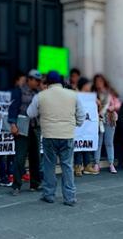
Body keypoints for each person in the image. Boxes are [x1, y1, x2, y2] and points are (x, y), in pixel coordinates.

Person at [27, 71, 84, 206]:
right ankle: (69, 197)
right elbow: (81, 116)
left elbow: (30, 113)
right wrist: (74, 124)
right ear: (61, 81)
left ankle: (49, 195)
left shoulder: (41, 96)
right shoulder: (72, 95)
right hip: (67, 135)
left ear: (47, 82)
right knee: (67, 166)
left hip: (49, 135)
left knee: (49, 166)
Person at [8, 69, 42, 194]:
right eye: (36, 80)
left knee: (35, 157)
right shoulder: (19, 91)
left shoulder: (39, 93)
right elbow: (13, 108)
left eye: (39, 81)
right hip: (22, 128)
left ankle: (35, 183)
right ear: (29, 79)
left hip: (35, 127)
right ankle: (16, 185)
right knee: (20, 157)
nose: (37, 83)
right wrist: (13, 124)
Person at [93, 74, 121, 174]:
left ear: (104, 81)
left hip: (109, 119)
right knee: (98, 142)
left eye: (100, 81)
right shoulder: (94, 94)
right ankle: (96, 163)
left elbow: (118, 103)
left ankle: (111, 163)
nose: (98, 83)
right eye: (96, 81)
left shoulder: (110, 93)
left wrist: (112, 108)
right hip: (98, 120)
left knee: (109, 142)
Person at [73, 77, 92, 177]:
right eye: (88, 85)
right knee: (78, 143)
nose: (89, 87)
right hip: (79, 123)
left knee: (88, 141)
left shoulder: (90, 96)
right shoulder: (76, 94)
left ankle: (87, 164)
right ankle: (78, 166)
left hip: (88, 124)